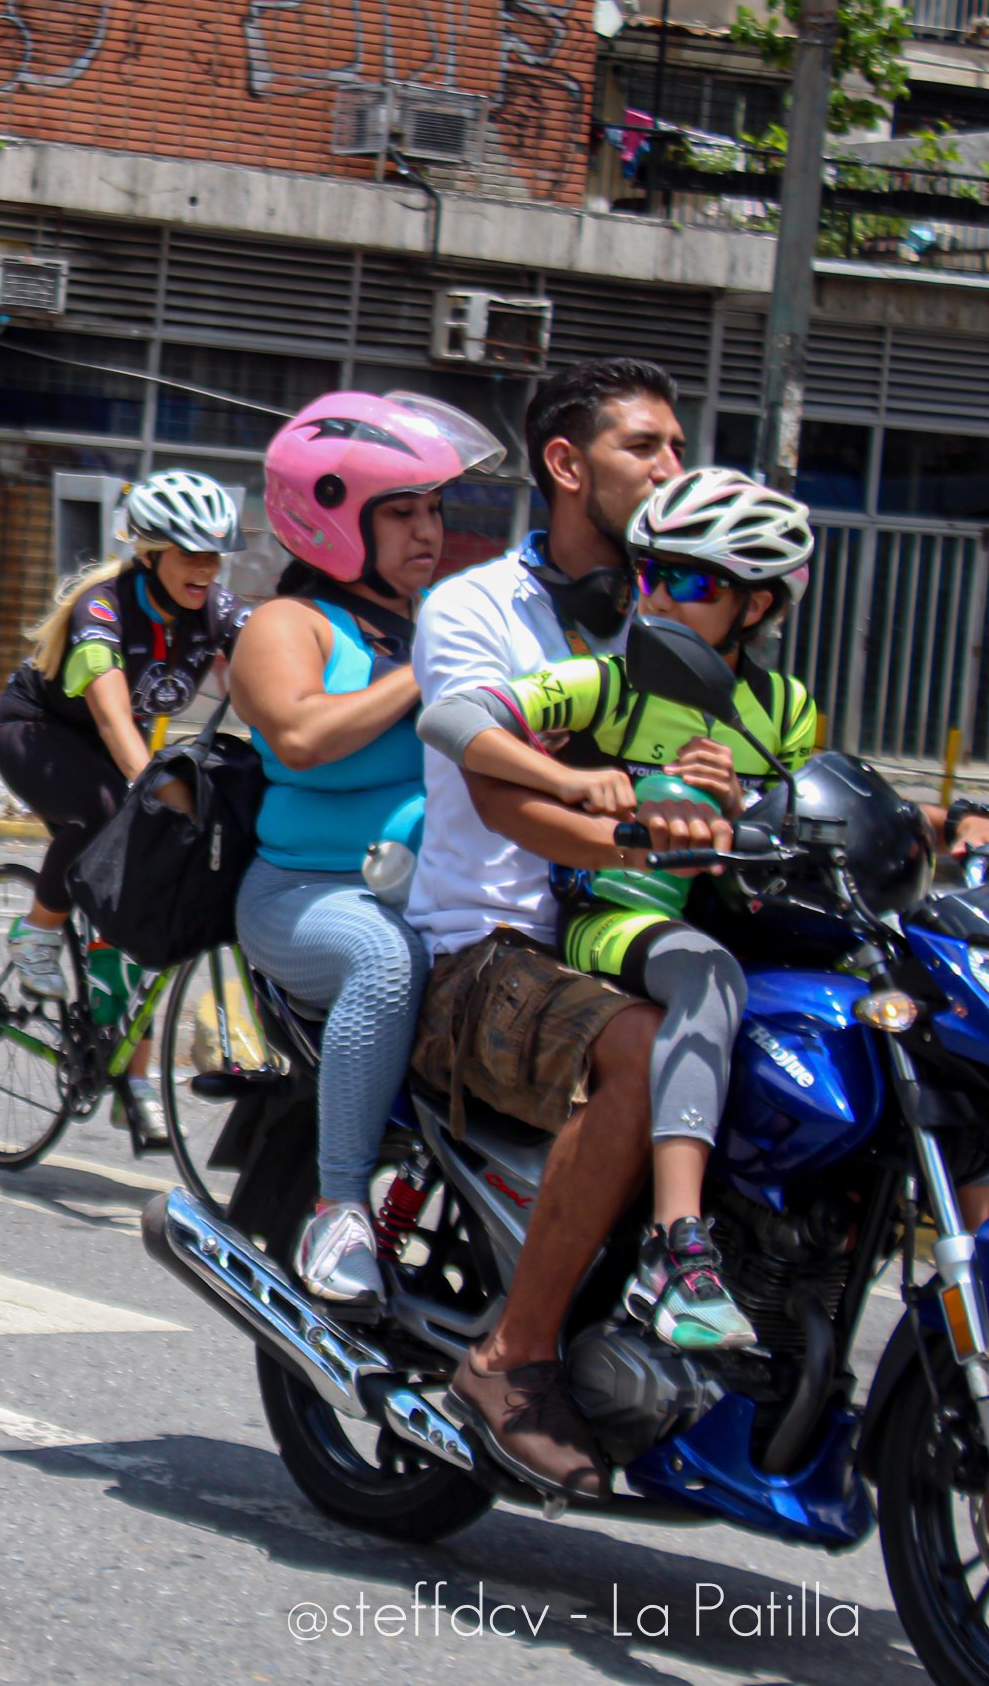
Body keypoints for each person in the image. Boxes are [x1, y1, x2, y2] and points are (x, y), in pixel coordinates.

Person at [419, 468, 817, 1353]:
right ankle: (679, 1248)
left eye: (695, 582)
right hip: (614, 917)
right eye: (651, 574)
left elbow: (797, 828)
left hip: (714, 918)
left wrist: (749, 807)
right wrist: (571, 779)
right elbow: (451, 717)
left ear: (757, 608)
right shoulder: (607, 682)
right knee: (706, 974)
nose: (661, 599)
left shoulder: (783, 711)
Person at [403, 358, 689, 1501]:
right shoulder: (475, 608)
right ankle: (509, 1356)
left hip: (631, 931)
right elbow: (490, 786)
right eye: (645, 449)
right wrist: (626, 814)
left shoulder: (679, 608)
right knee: (647, 1051)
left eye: (677, 446)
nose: (673, 468)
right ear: (566, 467)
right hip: (491, 950)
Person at [228, 391, 501, 1306]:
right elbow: (301, 735)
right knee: (386, 965)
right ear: (336, 516)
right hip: (313, 895)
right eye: (402, 512)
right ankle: (339, 1203)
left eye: (433, 510)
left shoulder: (442, 619)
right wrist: (426, 673)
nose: (429, 531)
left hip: (442, 884)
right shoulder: (289, 626)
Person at [0, 468, 244, 1136]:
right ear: (151, 554)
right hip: (36, 733)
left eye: (214, 555)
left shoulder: (213, 609)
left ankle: (132, 1075)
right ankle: (35, 934)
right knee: (108, 814)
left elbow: (269, 672)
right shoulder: (105, 606)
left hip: (106, 748)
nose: (206, 569)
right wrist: (148, 787)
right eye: (191, 554)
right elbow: (110, 718)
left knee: (138, 904)